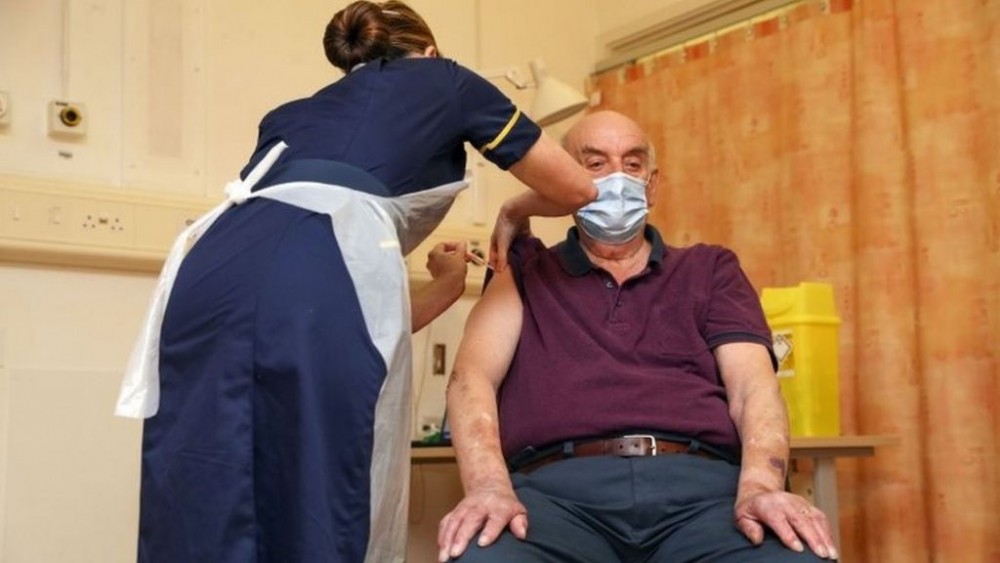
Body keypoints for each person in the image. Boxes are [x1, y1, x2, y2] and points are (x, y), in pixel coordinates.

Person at [113, 1, 597, 562]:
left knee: (210, 478)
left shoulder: (290, 116)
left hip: (206, 272)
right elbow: (576, 190)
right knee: (324, 481)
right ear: (430, 51)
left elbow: (336, 320)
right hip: (317, 268)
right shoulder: (447, 80)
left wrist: (443, 285)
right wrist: (514, 209)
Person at [437, 110, 839, 562]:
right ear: (561, 181)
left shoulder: (710, 269)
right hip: (556, 500)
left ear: (652, 182)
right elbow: (471, 380)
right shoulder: (526, 270)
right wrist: (490, 488)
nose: (617, 179)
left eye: (632, 164)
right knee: (483, 557)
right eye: (594, 164)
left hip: (703, 497)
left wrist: (760, 489)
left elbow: (753, 386)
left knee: (795, 556)